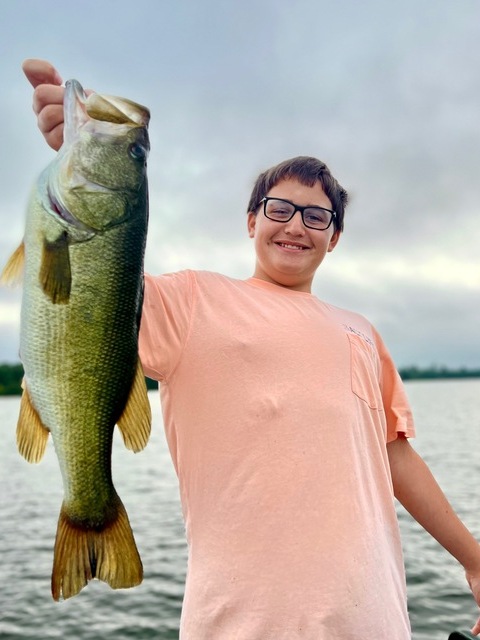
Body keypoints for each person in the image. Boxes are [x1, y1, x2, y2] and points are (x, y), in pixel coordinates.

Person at [22, 59, 480, 640]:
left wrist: (474, 559)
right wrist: (83, 157)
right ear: (251, 220)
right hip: (238, 624)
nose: (296, 225)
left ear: (334, 237)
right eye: (279, 209)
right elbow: (91, 288)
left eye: (317, 216)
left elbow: (396, 458)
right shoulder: (191, 301)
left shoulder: (360, 331)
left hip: (375, 621)